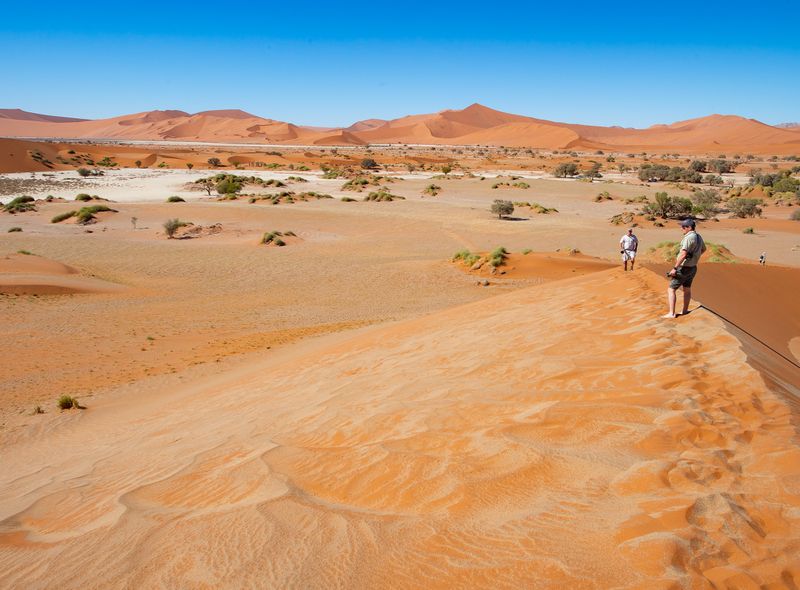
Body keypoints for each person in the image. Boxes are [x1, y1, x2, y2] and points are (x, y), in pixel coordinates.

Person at [663, 219, 706, 318]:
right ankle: (685, 310)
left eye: (683, 227)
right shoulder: (699, 237)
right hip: (693, 268)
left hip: (684, 268)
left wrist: (674, 268)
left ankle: (672, 313)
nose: (681, 229)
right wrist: (695, 256)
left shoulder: (689, 238)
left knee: (671, 289)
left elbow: (683, 254)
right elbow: (703, 249)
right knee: (687, 289)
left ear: (689, 228)